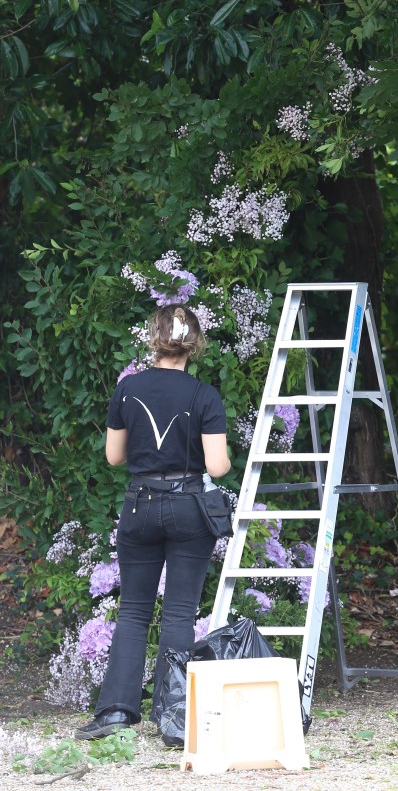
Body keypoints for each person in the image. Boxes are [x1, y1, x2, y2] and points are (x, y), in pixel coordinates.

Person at [75, 304, 231, 739]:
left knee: (134, 611)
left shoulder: (128, 389)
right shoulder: (204, 395)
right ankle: (174, 718)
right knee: (180, 613)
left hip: (140, 505)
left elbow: (113, 457)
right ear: (194, 345)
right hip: (188, 506)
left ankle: (115, 713)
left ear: (153, 340)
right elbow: (217, 467)